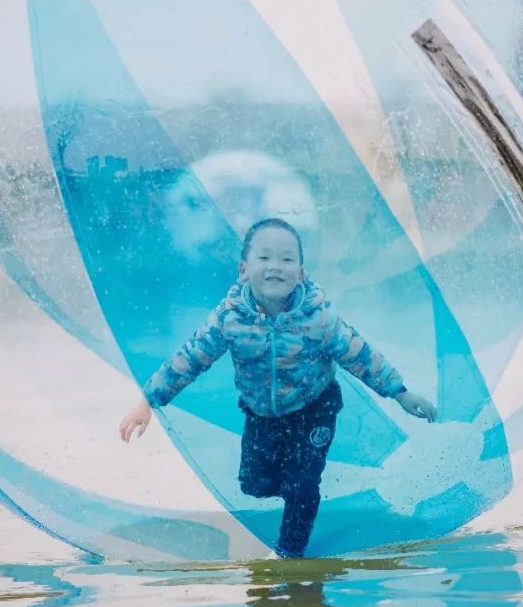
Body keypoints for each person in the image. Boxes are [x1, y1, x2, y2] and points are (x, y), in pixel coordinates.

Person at [119, 217, 436, 557]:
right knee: (254, 485)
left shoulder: (319, 318)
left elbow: (360, 354)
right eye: (265, 257)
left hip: (315, 408)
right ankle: (294, 495)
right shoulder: (229, 318)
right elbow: (190, 357)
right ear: (244, 269)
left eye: (287, 259)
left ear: (300, 272)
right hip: (261, 415)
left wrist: (400, 392)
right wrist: (148, 400)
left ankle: (290, 553)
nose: (275, 266)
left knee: (302, 484)